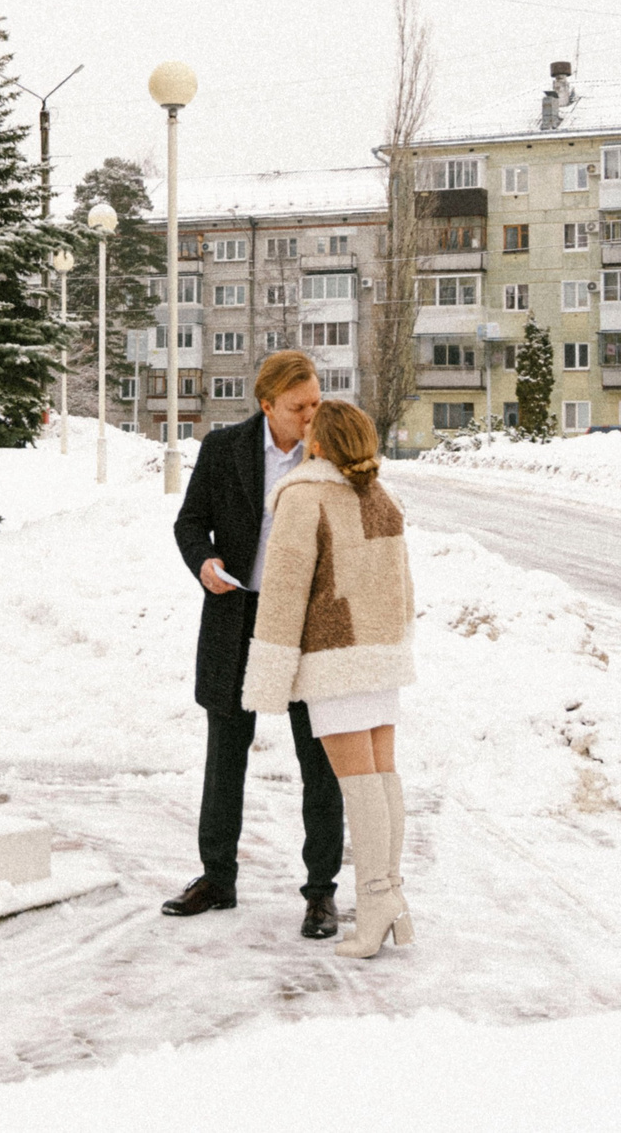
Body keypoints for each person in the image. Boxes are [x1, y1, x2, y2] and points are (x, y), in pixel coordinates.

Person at [162, 349, 346, 940]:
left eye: (317, 402)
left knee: (318, 760)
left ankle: (321, 894)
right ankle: (217, 877)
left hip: (306, 625)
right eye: (299, 407)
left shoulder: (332, 451)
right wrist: (204, 562)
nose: (311, 416)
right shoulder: (223, 450)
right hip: (236, 615)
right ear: (267, 405)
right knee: (225, 754)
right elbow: (189, 522)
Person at [241, 396, 418, 958]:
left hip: (335, 657)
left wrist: (268, 674)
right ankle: (392, 898)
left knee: (359, 786)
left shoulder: (303, 497)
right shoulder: (383, 499)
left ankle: (373, 906)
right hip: (380, 656)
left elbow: (284, 593)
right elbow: (403, 590)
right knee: (383, 778)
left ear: (321, 443)